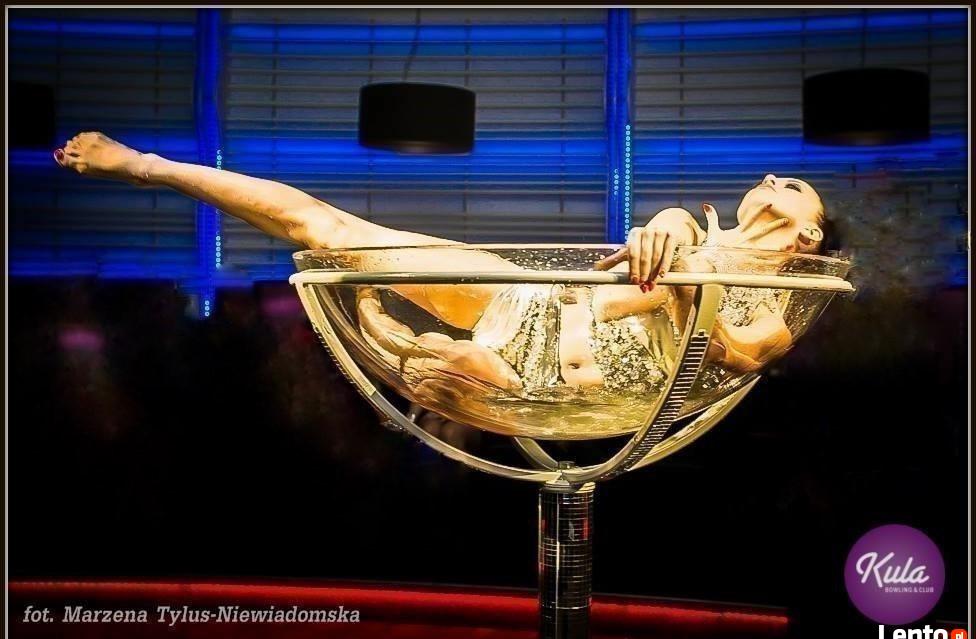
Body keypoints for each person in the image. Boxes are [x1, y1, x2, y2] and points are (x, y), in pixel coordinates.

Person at [54, 132, 827, 401]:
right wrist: (669, 230)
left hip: (557, 380)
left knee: (434, 362)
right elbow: (668, 229)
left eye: (792, 186)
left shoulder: (771, 316)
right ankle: (149, 165)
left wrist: (691, 281)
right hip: (529, 303)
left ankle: (447, 364)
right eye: (774, 176)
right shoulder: (684, 226)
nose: (772, 178)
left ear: (807, 238)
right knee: (328, 229)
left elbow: (733, 351)